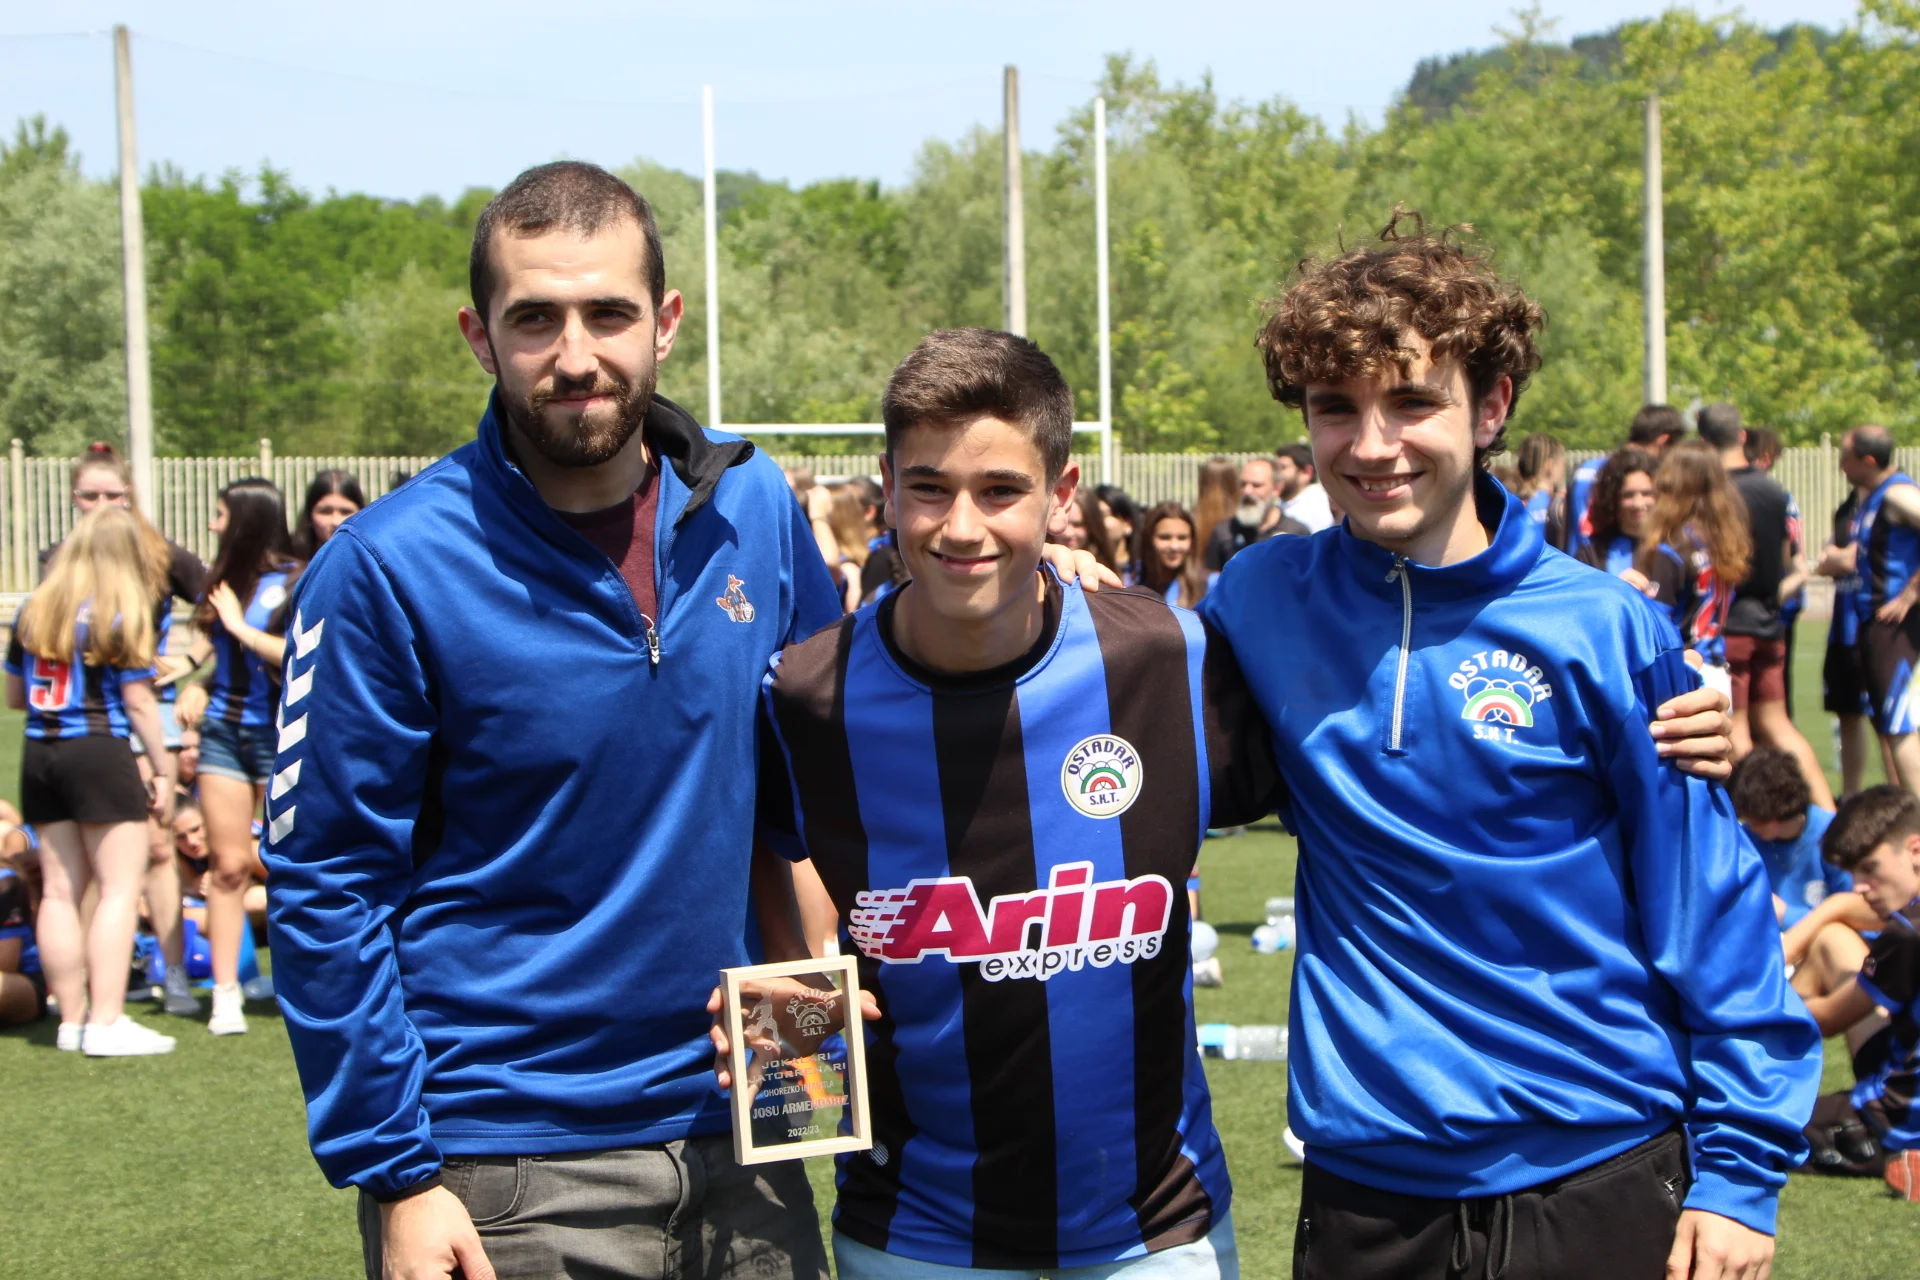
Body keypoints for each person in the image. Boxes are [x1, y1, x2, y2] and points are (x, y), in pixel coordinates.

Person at [263, 163, 1108, 1280]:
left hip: (747, 1124)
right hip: (507, 1159)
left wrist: (1032, 588)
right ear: (479, 337)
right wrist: (399, 1174)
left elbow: (829, 761)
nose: (577, 355)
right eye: (536, 319)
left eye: (608, 313)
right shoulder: (387, 566)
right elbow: (324, 884)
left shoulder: (751, 506)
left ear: (663, 322)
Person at [1207, 212, 1817, 1279]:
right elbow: (1126, 691)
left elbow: (1709, 909)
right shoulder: (1259, 597)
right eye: (1335, 407)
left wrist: (1740, 1174)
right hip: (1365, 1187)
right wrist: (1052, 586)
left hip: (1598, 1163)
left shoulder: (1607, 628)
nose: (1372, 443)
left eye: (1412, 401)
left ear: (1490, 407)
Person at [747, 327, 1279, 1278]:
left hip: (1156, 1231)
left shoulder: (1169, 658)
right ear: (885, 489)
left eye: (1001, 491)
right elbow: (758, 849)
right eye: (929, 488)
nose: (963, 527)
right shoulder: (806, 696)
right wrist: (793, 998)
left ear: (1060, 495)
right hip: (914, 1235)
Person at [40, 442, 207, 1017]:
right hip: (91, 723)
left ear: (131, 496)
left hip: (147, 710)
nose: (103, 505)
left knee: (158, 847)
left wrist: (192, 665)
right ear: (73, 498)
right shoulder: (58, 560)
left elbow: (220, 603)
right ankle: (90, 986)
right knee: (94, 860)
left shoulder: (161, 554)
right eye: (91, 496)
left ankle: (172, 971)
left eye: (114, 495)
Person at [5, 506, 178, 1056]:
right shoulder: (120, 610)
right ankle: (107, 1022)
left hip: (39, 753)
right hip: (100, 749)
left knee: (60, 890)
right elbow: (139, 702)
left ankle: (71, 1020)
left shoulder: (32, 609)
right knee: (120, 888)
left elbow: (14, 697)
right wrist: (164, 768)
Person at [174, 477, 299, 1037]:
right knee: (226, 867)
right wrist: (193, 682)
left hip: (282, 736)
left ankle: (305, 982)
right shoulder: (222, 581)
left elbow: (296, 653)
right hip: (223, 735)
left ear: (247, 520)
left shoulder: (295, 578)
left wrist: (239, 627)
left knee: (291, 865)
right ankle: (226, 993)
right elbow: (214, 653)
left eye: (221, 514)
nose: (213, 524)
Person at [1790, 786, 1920, 1201]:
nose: (1860, 886)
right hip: (1900, 1052)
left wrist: (1763, 1003)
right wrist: (1831, 910)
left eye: (1869, 869)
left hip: (1898, 1118)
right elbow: (1850, 911)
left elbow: (1828, 1018)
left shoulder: (1907, 934)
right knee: (1832, 940)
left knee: (1759, 1126)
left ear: (1915, 851)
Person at [1701, 405, 1828, 804]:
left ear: (1704, 441)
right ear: (1741, 436)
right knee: (1778, 725)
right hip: (1770, 621)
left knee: (1737, 730)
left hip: (1733, 625)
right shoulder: (1775, 490)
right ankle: (1827, 813)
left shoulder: (1716, 492)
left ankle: (1761, 814)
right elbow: (1788, 556)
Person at [1818, 425, 1920, 795]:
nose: (1841, 465)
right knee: (1888, 723)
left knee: (1898, 725)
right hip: (1871, 623)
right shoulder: (1868, 500)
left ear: (1869, 460)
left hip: (1894, 625)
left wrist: (1911, 592)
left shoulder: (1897, 494)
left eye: (1846, 457)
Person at [1638, 442, 1752, 697]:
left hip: (1685, 672)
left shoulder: (1674, 548)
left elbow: (1655, 623)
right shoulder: (1722, 541)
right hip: (1717, 671)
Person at [1728, 748, 1848, 930]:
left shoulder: (1834, 836)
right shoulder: (1747, 839)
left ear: (1777, 812)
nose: (1749, 825)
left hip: (1821, 940)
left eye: (1755, 821)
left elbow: (1856, 916)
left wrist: (1786, 915)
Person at [1562, 404, 1690, 555]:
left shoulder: (1586, 469)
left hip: (1578, 560)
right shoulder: (1641, 477)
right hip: (1614, 561)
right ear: (1663, 442)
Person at [1202, 456, 1306, 569]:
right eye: (1243, 484)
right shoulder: (1224, 531)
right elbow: (1214, 576)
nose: (1247, 491)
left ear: (1277, 489)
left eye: (1257, 485)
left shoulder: (1296, 533)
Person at [1572, 446, 1657, 582]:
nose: (1638, 504)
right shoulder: (1592, 553)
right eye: (1628, 495)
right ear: (1613, 499)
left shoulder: (1673, 549)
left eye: (1646, 493)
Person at [1136, 502, 1211, 608]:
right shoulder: (1133, 582)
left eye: (1182, 538)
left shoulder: (1209, 585)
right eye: (1164, 537)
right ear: (1149, 540)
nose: (1174, 547)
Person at [290, 469, 367, 561]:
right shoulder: (290, 566)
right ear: (309, 516)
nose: (335, 521)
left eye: (345, 512)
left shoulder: (375, 565)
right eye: (325, 512)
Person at [1273, 441, 1333, 533]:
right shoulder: (1281, 504)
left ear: (1306, 472)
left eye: (1283, 467)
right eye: (1275, 468)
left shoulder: (1319, 506)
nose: (1276, 474)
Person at [1512, 432, 1565, 530]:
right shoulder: (1556, 507)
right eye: (1562, 464)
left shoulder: (1511, 503)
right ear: (1549, 466)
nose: (1563, 470)